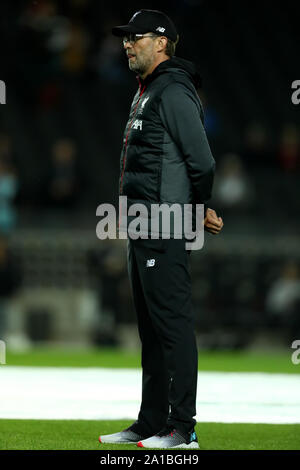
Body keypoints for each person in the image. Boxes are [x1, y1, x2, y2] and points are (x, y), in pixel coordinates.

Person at [99, 9, 223, 449]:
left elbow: (202, 160)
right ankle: (150, 422)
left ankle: (182, 429)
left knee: (173, 326)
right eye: (125, 38)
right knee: (151, 332)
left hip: (165, 224)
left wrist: (196, 207)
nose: (127, 43)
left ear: (162, 42)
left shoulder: (172, 90)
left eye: (136, 37)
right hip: (143, 224)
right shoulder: (149, 90)